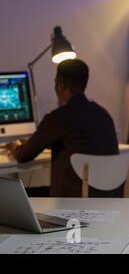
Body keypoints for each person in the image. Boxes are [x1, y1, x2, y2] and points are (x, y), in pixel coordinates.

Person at [6, 59, 121, 197]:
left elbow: (23, 156)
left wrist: (14, 147)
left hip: (71, 202)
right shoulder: (103, 114)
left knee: (12, 195)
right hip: (106, 199)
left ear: (61, 85)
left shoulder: (59, 117)